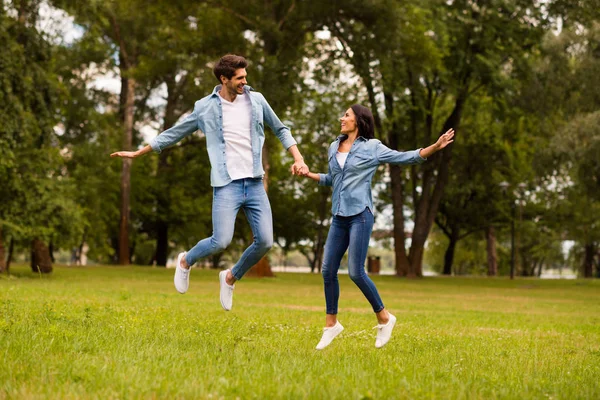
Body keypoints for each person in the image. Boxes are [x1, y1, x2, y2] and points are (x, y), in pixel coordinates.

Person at [111, 54, 308, 311]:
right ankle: (185, 261)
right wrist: (140, 152)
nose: (244, 82)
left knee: (265, 241)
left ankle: (230, 277)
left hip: (255, 183)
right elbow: (176, 132)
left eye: (245, 77)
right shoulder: (205, 107)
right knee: (221, 241)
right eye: (239, 78)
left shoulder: (256, 100)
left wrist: (299, 157)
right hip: (227, 184)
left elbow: (281, 129)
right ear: (223, 79)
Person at [300, 104, 454, 349]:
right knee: (328, 270)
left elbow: (403, 157)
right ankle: (331, 325)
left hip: (361, 214)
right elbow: (332, 179)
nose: (342, 118)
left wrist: (434, 147)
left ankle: (384, 317)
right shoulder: (333, 147)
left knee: (355, 272)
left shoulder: (372, 147)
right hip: (339, 216)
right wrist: (309, 174)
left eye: (347, 115)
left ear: (359, 121)